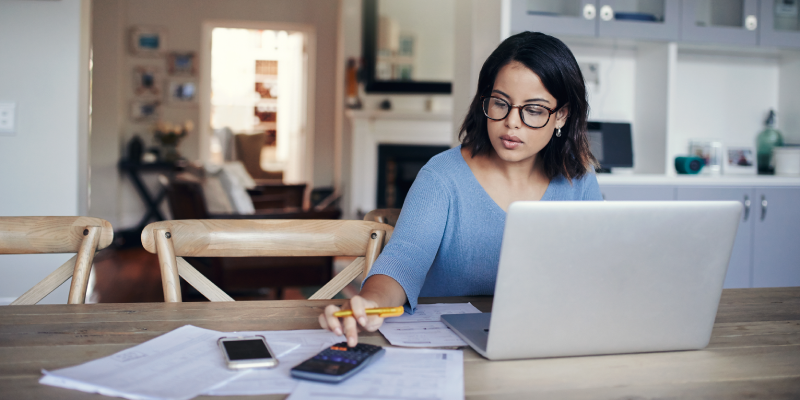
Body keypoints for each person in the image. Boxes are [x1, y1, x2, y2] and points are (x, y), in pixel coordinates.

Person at [320, 31, 602, 346]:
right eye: (501, 103)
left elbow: (598, 269)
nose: (512, 122)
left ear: (561, 115)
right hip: (447, 347)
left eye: (533, 110)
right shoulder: (441, 177)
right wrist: (370, 303)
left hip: (544, 341)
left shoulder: (579, 178)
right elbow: (404, 259)